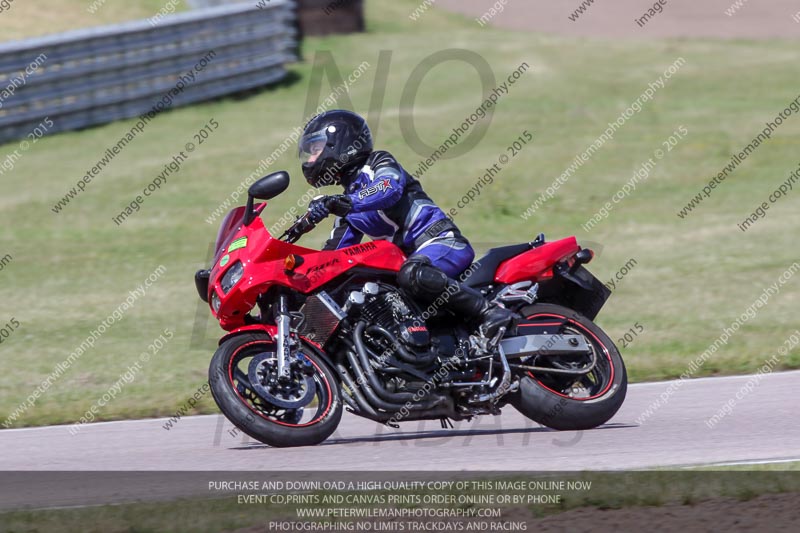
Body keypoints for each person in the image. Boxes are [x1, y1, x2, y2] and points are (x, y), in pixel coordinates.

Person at [298, 109, 513, 338]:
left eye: (315, 150)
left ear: (338, 144)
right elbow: (333, 258)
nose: (311, 159)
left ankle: (489, 312)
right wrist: (299, 283)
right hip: (407, 261)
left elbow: (387, 189)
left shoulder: (378, 163)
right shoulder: (347, 205)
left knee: (413, 273)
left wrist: (344, 202)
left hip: (442, 243)